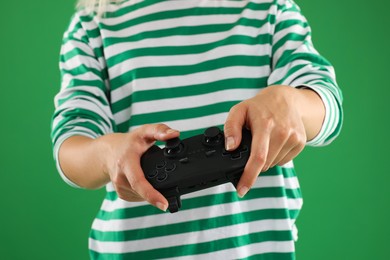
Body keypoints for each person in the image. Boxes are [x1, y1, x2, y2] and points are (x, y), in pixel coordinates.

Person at [51, 0, 343, 258]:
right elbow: (71, 144)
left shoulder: (269, 9)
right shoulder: (94, 26)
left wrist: (292, 104)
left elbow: (325, 103)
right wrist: (108, 153)